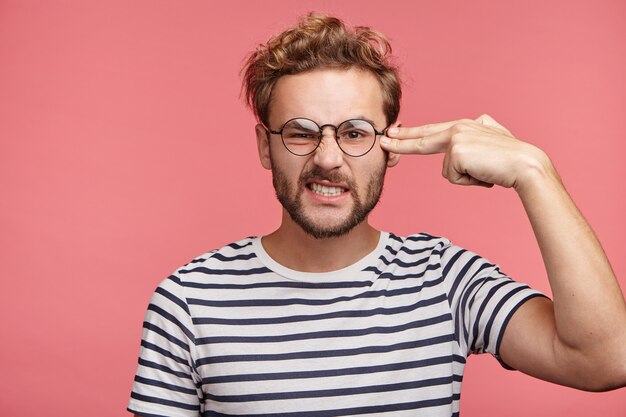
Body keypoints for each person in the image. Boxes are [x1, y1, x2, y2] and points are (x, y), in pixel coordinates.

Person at [128, 13, 626, 417]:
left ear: (391, 147)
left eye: (355, 132)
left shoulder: (446, 281)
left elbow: (606, 360)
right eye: (301, 132)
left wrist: (534, 172)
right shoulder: (189, 300)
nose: (327, 157)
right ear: (265, 146)